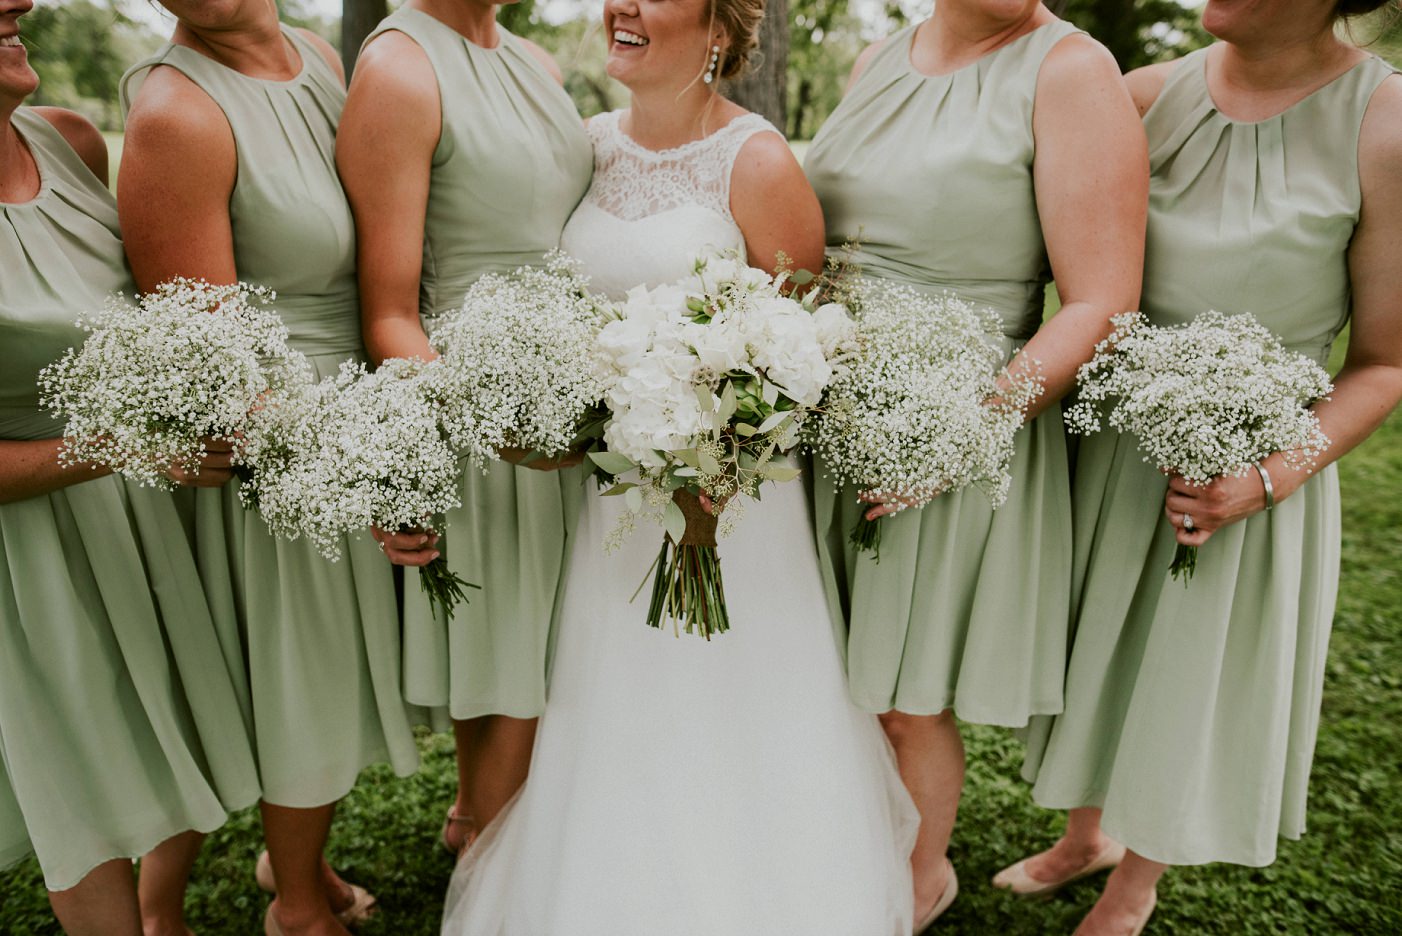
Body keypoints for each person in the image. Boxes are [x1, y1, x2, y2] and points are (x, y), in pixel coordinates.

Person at [438, 1, 918, 933]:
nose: (620, 4)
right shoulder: (585, 147)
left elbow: (806, 347)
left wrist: (719, 455)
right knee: (613, 703)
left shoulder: (757, 160)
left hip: (730, 509)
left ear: (717, 30)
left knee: (731, 708)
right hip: (613, 498)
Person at [1000, 1, 1402, 934]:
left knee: (1189, 673)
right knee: (1096, 651)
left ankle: (1134, 885)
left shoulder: (1384, 124)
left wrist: (1263, 480)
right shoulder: (1142, 95)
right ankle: (1085, 836)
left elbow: (1384, 363)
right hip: (1112, 443)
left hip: (1244, 467)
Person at [803, 0, 1147, 927]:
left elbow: (1101, 300)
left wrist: (962, 431)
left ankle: (919, 881)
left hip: (956, 420)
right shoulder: (879, 58)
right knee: (825, 673)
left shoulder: (1071, 71)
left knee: (905, 695)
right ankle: (837, 853)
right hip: (824, 411)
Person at [119, 2, 420, 933]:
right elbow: (214, 361)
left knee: (315, 671)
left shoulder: (318, 59)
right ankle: (295, 907)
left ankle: (296, 865)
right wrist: (349, 466)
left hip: (347, 398)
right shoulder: (175, 115)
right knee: (302, 680)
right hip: (272, 443)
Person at [0, 1, 260, 933]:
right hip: (26, 556)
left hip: (143, 513)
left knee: (179, 723)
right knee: (83, 791)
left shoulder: (69, 141)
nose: (20, 2)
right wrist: (129, 446)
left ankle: (165, 914)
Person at [336, 0, 594, 856]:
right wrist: (496, 422)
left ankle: (478, 829)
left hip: (569, 400)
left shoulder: (535, 64)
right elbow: (389, 314)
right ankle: (496, 870)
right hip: (479, 417)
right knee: (511, 670)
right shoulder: (400, 72)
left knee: (546, 661)